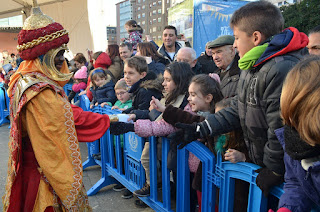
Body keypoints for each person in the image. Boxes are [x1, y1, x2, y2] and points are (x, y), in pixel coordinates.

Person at [168, 1, 309, 197]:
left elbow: (281, 127)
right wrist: (203, 127)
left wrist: (274, 169)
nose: (234, 44)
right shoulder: (252, 65)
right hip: (261, 165)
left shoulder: (279, 68)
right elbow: (238, 107)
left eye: (236, 38)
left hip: (281, 174)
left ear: (256, 37)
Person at [3, 3, 110, 211]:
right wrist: (111, 120)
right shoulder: (37, 88)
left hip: (31, 166)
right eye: (58, 53)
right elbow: (65, 119)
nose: (63, 58)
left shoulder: (22, 78)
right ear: (43, 53)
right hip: (42, 171)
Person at [110, 62, 194, 198]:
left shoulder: (185, 100)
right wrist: (136, 115)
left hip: (175, 147)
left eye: (168, 80)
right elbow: (158, 118)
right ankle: (155, 186)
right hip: (162, 141)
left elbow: (166, 123)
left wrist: (134, 124)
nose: (163, 84)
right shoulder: (169, 95)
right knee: (151, 162)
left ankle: (160, 189)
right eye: (164, 79)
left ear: (179, 80)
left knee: (183, 185)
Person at [273, 56, 320, 212]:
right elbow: (297, 181)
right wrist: (288, 208)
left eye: (300, 113)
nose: (293, 124)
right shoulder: (295, 139)